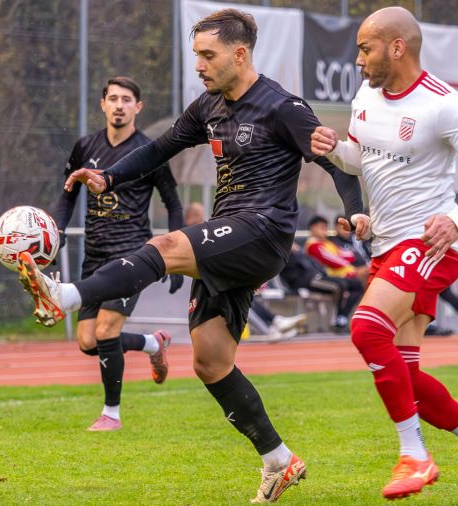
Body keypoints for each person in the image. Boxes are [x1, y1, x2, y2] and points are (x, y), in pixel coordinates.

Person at [18, 9, 362, 503]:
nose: (199, 65)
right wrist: (108, 177)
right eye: (196, 55)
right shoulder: (208, 107)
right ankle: (278, 460)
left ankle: (65, 295)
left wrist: (354, 212)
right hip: (230, 235)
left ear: (239, 54)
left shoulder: (282, 106)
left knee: (167, 244)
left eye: (208, 55)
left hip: (264, 231)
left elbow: (336, 161)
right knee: (210, 359)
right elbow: (159, 150)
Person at [310, 7, 458, 504]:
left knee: (365, 329)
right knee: (406, 374)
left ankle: (415, 456)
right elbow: (364, 158)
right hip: (386, 244)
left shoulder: (445, 105)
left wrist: (457, 220)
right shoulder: (365, 95)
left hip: (429, 245)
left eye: (366, 48)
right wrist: (336, 150)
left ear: (397, 47)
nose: (358, 60)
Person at [51, 76, 185, 432]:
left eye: (127, 99)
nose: (120, 105)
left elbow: (172, 203)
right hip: (95, 254)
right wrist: (57, 232)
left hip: (131, 256)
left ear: (138, 107)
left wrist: (176, 255)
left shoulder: (150, 151)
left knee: (108, 329)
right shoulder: (85, 147)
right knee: (88, 341)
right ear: (103, 104)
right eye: (113, 98)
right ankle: (152, 343)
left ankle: (111, 414)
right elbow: (67, 195)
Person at [185, 202, 306, 341]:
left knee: (243, 296)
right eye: (196, 216)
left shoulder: (204, 234)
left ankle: (275, 322)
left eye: (201, 216)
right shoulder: (188, 237)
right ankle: (269, 329)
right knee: (236, 299)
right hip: (205, 288)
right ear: (188, 217)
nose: (200, 219)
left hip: (216, 282)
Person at [280, 242, 363, 332]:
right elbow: (294, 276)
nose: (295, 245)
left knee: (356, 284)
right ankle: (338, 321)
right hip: (308, 281)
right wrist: (290, 251)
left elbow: (314, 266)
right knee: (340, 286)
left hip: (319, 276)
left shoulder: (301, 253)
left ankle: (342, 316)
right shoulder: (285, 255)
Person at [305, 215, 368, 282]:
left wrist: (352, 257)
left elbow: (342, 253)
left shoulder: (326, 242)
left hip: (343, 271)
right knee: (367, 272)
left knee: (368, 271)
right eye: (322, 228)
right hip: (335, 275)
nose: (325, 231)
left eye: (326, 228)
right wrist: (353, 265)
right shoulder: (313, 246)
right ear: (313, 228)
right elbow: (335, 261)